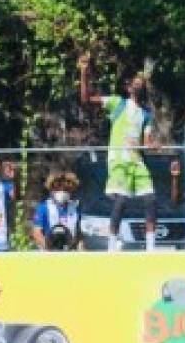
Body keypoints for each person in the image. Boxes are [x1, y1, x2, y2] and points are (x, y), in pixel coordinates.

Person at [79, 53, 159, 251]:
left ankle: (151, 247)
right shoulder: (118, 103)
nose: (139, 86)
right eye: (136, 83)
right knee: (121, 201)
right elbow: (87, 99)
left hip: (137, 161)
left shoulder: (146, 114)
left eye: (142, 84)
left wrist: (153, 145)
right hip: (119, 160)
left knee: (150, 199)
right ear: (129, 87)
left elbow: (147, 140)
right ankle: (112, 245)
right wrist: (84, 74)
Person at [33, 172, 83, 251]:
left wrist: (81, 252)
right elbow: (37, 232)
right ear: (51, 190)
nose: (62, 192)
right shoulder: (44, 208)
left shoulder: (75, 208)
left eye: (66, 190)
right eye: (58, 189)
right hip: (48, 252)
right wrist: (49, 248)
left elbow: (79, 234)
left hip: (70, 252)